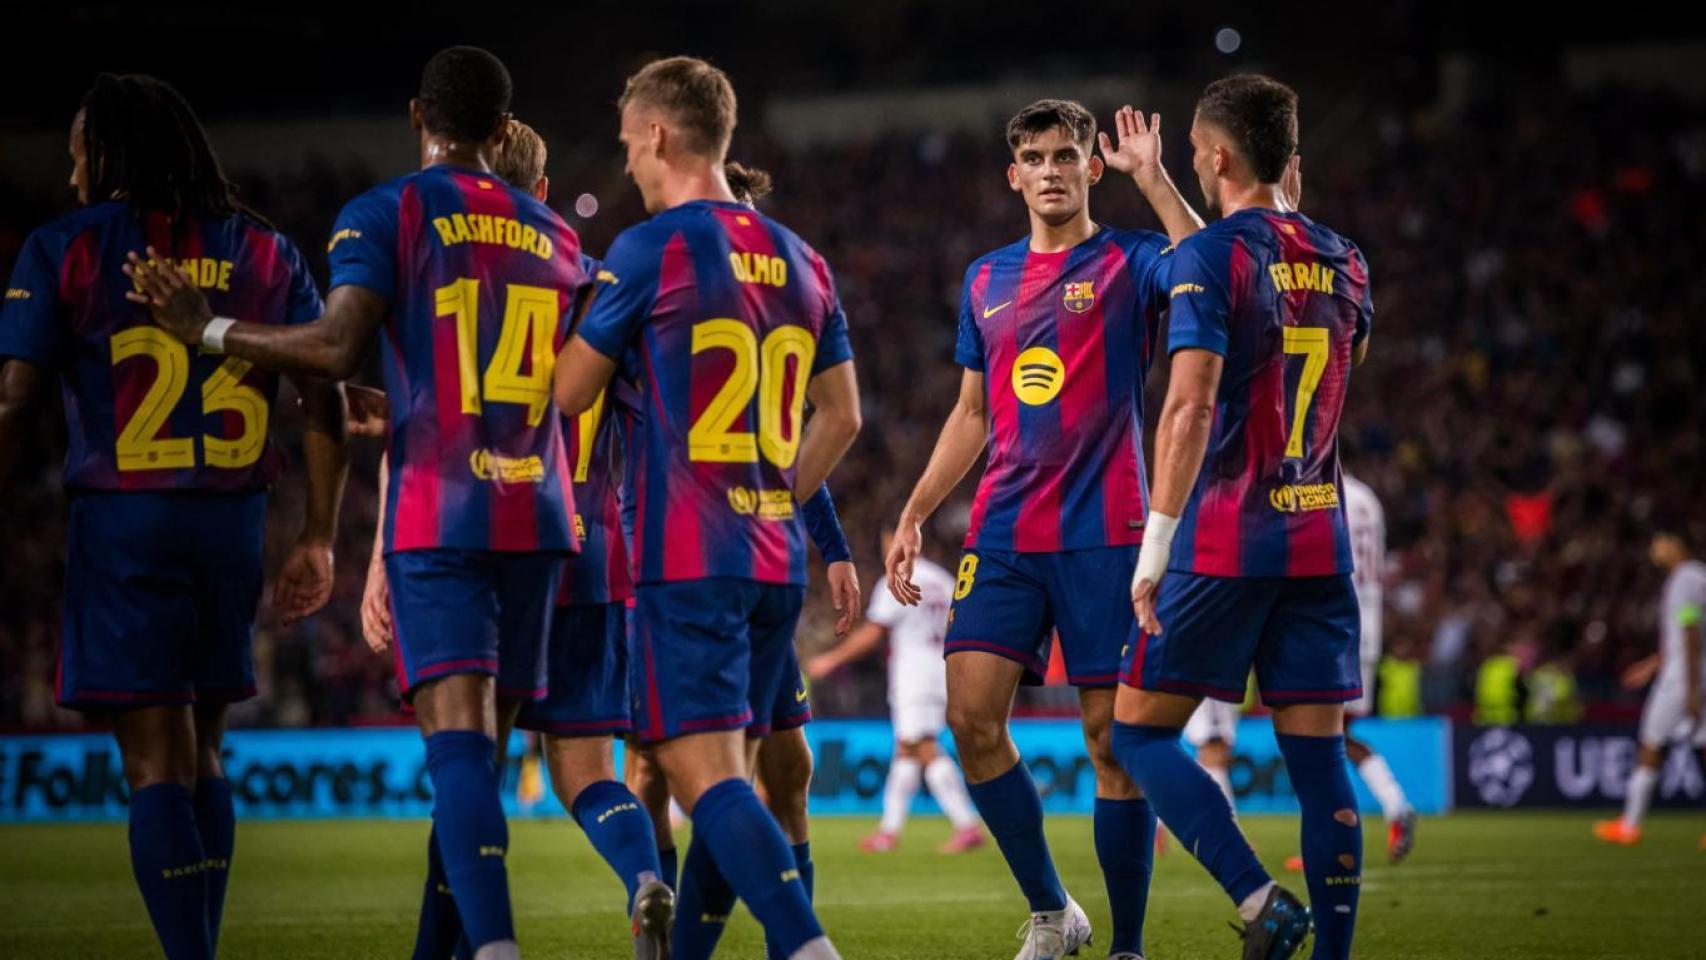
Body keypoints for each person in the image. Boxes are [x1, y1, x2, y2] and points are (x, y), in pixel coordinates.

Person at [127, 47, 588, 960]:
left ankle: (494, 949)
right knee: (480, 761)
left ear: (418, 114)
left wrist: (206, 329)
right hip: (539, 511)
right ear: (504, 131)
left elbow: (337, 348)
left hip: (444, 509)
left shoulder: (388, 210)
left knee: (454, 749)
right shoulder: (560, 234)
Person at [0, 73, 348, 960]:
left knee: (155, 763)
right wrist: (315, 531)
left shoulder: (67, 246)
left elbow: (16, 402)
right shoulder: (265, 251)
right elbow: (324, 393)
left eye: (81, 149)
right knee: (205, 756)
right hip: (229, 529)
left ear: (110, 151)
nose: (71, 168)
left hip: (127, 528)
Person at [551, 56, 861, 960]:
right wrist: (771, 498)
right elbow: (842, 415)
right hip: (773, 561)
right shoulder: (805, 259)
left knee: (705, 782)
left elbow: (571, 395)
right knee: (733, 780)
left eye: (627, 147)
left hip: (687, 559)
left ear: (657, 133)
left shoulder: (651, 249)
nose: (628, 168)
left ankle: (807, 947)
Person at [884, 98, 1199, 960]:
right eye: (1035, 156)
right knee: (971, 719)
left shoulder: (1135, 260)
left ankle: (1128, 945)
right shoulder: (986, 280)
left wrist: (1157, 179)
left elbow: (1215, 269)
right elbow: (972, 411)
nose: (1052, 170)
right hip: (1006, 534)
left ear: (1093, 167)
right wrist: (913, 511)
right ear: (1012, 174)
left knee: (1110, 741)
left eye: (1067, 155)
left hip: (1109, 534)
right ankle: (1055, 911)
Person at [355, 117, 672, 958]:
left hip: (476, 532)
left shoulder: (451, 271)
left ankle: (469, 946)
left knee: (466, 764)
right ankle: (644, 875)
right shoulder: (597, 283)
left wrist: (379, 561)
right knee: (586, 771)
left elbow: (419, 432)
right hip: (588, 547)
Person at [1109, 74, 1371, 960]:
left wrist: (1154, 546)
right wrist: (1153, 182)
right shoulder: (1347, 258)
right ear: (1287, 158)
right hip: (1317, 537)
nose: (1187, 160)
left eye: (1190, 153)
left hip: (1224, 537)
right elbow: (1252, 287)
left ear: (1219, 156)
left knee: (1135, 731)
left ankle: (1260, 897)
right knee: (1320, 766)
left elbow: (1186, 408)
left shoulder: (1212, 258)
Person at [806, 527, 985, 854]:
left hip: (914, 675)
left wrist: (831, 660)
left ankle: (967, 825)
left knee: (922, 747)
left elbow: (874, 633)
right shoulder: (943, 580)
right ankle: (888, 833)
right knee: (907, 750)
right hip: (942, 670)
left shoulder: (898, 577)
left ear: (894, 538)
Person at [1594, 529, 1706, 847]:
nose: (1653, 551)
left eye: (1658, 543)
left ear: (1674, 543)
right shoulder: (1701, 576)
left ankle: (1629, 825)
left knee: (1651, 743)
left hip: (1682, 678)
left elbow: (1690, 631)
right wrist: (1652, 664)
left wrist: (1691, 688)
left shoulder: (1683, 581)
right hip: (1696, 671)